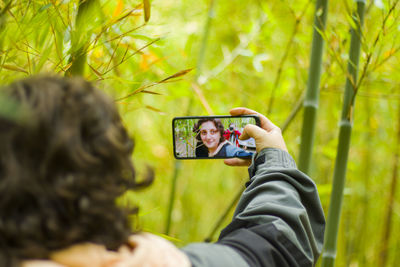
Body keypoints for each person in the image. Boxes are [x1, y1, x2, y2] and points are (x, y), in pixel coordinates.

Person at [0, 75, 325, 267]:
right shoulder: (150, 261)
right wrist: (274, 159)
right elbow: (274, 246)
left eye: (214, 132)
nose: (209, 136)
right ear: (109, 171)